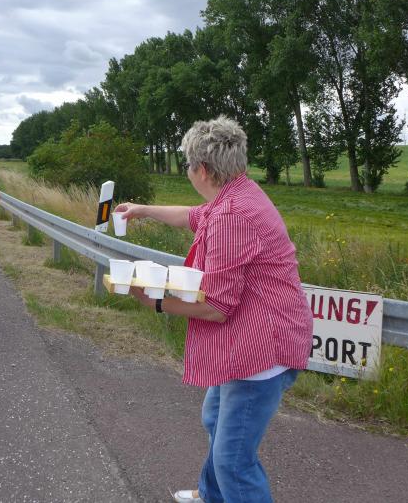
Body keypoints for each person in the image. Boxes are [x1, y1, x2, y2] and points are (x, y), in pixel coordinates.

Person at [115, 116, 313, 503]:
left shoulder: (232, 215)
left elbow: (217, 307)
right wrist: (142, 209)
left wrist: (155, 301)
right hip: (249, 338)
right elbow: (194, 216)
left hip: (263, 349)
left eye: (188, 164)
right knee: (214, 419)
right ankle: (212, 495)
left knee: (233, 460)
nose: (188, 171)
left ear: (202, 169)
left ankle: (223, 492)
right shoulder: (238, 194)